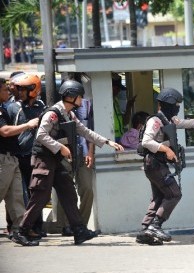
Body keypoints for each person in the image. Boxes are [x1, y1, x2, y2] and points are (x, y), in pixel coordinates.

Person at [11, 80, 124, 246]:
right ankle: (21, 231)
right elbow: (41, 135)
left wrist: (107, 142)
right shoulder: (53, 114)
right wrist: (61, 148)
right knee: (40, 196)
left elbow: (84, 131)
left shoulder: (68, 114)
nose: (81, 99)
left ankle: (79, 230)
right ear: (71, 97)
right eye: (79, 96)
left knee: (68, 192)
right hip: (44, 159)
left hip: (55, 160)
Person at [136, 88, 194, 245]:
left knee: (159, 197)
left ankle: (146, 230)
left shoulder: (169, 120)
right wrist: (166, 149)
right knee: (174, 194)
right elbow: (146, 142)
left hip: (156, 164)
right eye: (176, 104)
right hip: (154, 163)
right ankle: (155, 225)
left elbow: (191, 123)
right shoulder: (156, 121)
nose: (178, 108)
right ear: (168, 104)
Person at [7, 73, 47, 239]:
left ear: (33, 89)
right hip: (18, 157)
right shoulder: (12, 108)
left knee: (35, 194)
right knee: (17, 194)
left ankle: (36, 227)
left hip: (37, 156)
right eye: (19, 89)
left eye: (23, 89)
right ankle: (15, 228)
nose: (20, 92)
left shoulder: (42, 108)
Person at [0, 78, 39, 241]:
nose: (7, 92)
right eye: (3, 89)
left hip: (12, 158)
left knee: (16, 197)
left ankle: (19, 231)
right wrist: (28, 125)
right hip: (3, 159)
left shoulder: (4, 108)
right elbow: (5, 131)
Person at [55, 93, 97, 236]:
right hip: (67, 155)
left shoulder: (87, 106)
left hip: (84, 154)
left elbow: (89, 130)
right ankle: (66, 226)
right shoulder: (59, 108)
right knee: (66, 191)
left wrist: (90, 152)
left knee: (87, 189)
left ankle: (80, 226)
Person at [112, 74, 136, 143]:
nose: (119, 91)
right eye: (117, 88)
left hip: (119, 136)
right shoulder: (106, 102)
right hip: (111, 137)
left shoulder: (115, 100)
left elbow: (125, 122)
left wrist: (129, 106)